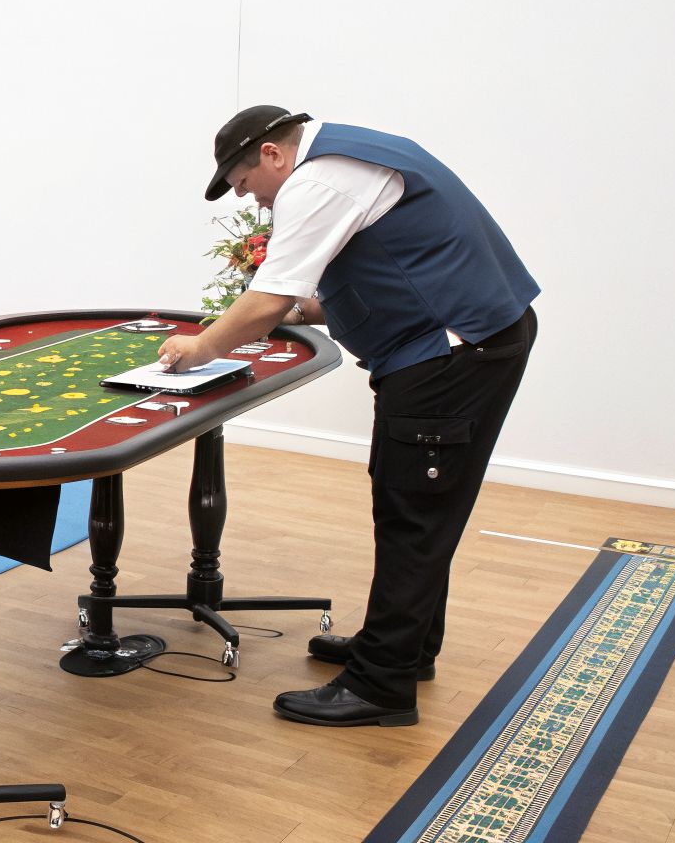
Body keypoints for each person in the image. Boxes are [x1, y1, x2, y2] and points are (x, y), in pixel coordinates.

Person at [158, 105, 538, 728]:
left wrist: (201, 346)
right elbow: (394, 271)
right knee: (419, 506)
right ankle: (404, 651)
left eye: (247, 186)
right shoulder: (353, 156)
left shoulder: (316, 182)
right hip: (472, 340)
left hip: (451, 356)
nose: (252, 204)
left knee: (413, 512)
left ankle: (381, 687)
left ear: (273, 156)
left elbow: (269, 297)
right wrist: (303, 312)